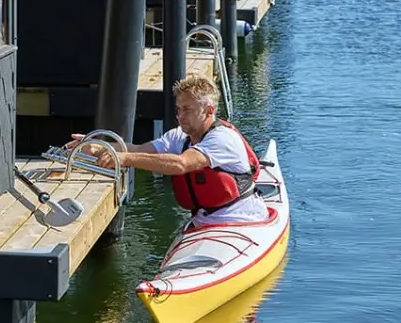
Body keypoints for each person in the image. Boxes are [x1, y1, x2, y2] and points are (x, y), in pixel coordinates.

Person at [67, 74, 268, 227]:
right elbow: (139, 149)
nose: (180, 116)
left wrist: (125, 158)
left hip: (243, 219)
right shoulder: (178, 136)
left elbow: (181, 164)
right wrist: (97, 146)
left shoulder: (223, 139)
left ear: (209, 111)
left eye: (187, 110)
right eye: (178, 109)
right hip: (204, 221)